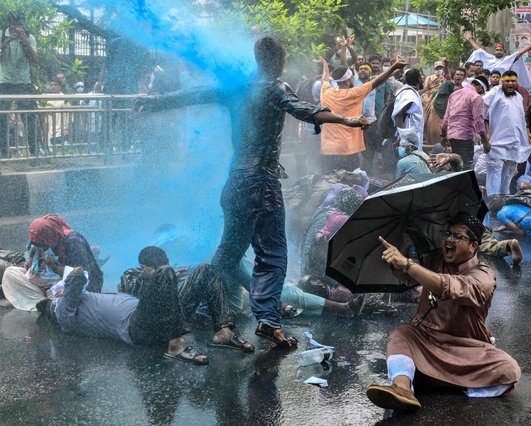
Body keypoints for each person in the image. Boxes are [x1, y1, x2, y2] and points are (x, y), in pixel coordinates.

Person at [134, 36, 370, 349]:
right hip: (262, 185)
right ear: (277, 60)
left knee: (228, 255)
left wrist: (154, 102)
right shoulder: (275, 88)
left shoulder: (236, 88)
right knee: (272, 255)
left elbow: (194, 95)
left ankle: (187, 312)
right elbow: (308, 112)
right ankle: (268, 321)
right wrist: (348, 119)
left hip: (235, 184)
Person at [366, 213, 521, 413]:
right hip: (425, 338)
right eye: (448, 234)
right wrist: (403, 248)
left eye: (457, 236)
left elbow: (445, 286)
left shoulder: (484, 275)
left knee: (508, 369)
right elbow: (406, 278)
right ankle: (403, 388)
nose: (449, 239)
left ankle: (432, 379)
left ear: (473, 246)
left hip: (464, 346)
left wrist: (407, 263)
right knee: (400, 335)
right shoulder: (435, 258)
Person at [39, 264, 209, 365]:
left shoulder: (83, 299)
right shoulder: (63, 314)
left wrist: (162, 284)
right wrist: (64, 290)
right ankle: (176, 345)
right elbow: (77, 273)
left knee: (204, 271)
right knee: (164, 272)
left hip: (158, 318)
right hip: (136, 326)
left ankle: (224, 331)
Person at [118, 246, 254, 352]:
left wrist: (172, 278)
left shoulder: (173, 272)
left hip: (178, 316)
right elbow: (124, 288)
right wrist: (155, 278)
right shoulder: (133, 275)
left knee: (205, 269)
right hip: (152, 321)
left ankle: (223, 332)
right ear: (142, 267)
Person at [319, 57, 406, 172]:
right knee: (351, 184)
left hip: (328, 149)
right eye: (351, 77)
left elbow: (324, 79)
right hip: (347, 150)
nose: (353, 79)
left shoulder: (326, 92)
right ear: (347, 81)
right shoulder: (354, 93)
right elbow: (376, 82)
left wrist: (324, 64)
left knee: (329, 183)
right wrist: (394, 67)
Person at [2, 214, 103, 311]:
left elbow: (81, 277)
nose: (39, 246)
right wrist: (30, 260)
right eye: (35, 243)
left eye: (42, 244)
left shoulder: (73, 242)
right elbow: (27, 257)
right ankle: (44, 301)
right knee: (10, 273)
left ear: (49, 236)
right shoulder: (37, 239)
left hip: (80, 284)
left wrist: (55, 267)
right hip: (49, 280)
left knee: (56, 293)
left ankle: (47, 304)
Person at [483, 70, 531, 201]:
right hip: (496, 139)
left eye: (513, 81)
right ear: (502, 81)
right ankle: (493, 198)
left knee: (510, 168)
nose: (510, 83)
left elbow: (520, 118)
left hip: (515, 139)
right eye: (507, 81)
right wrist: (485, 134)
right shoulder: (494, 92)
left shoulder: (518, 96)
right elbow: (483, 113)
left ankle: (504, 196)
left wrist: (526, 133)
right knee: (495, 168)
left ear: (516, 82)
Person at [0, 11, 38, 157]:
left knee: (29, 117)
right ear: (10, 24)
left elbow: (35, 59)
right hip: (4, 82)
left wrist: (25, 41)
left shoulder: (29, 37)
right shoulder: (2, 34)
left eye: (21, 24)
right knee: (1, 118)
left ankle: (34, 153)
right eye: (15, 24)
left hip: (24, 82)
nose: (18, 27)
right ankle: (3, 153)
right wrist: (8, 41)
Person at [440, 76, 490, 170]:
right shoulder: (476, 97)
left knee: (456, 165)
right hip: (465, 137)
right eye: (481, 91)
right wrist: (485, 141)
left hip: (452, 136)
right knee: (464, 167)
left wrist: (443, 135)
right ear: (480, 87)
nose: (481, 93)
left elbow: (446, 118)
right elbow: (478, 121)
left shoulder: (454, 95)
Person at [464, 31, 531, 89]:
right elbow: (479, 50)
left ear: (504, 52)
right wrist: (470, 40)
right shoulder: (489, 58)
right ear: (494, 51)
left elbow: (519, 53)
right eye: (497, 50)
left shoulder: (507, 59)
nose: (499, 51)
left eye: (500, 50)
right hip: (488, 85)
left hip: (502, 85)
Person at [393, 68, 425, 151]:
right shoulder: (409, 95)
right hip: (408, 137)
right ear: (419, 79)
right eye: (421, 77)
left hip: (411, 136)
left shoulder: (410, 92)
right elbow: (399, 115)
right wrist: (402, 138)